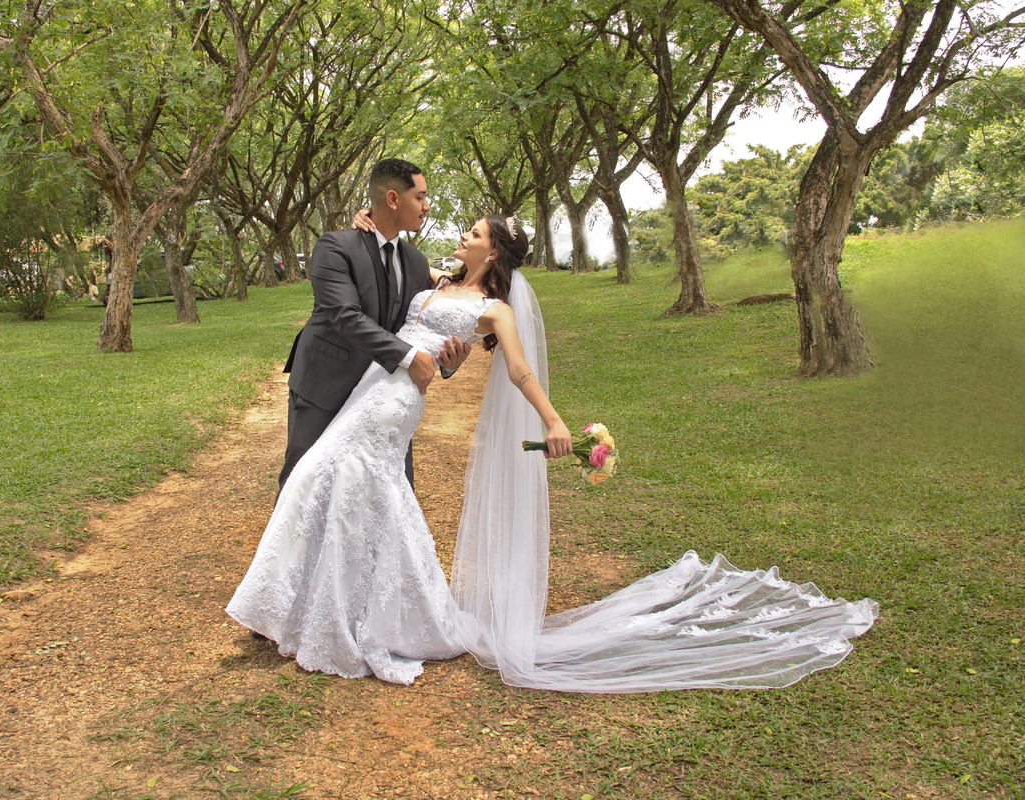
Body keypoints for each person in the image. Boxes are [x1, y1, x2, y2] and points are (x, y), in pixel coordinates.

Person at [230, 214, 878, 690]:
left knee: (339, 478)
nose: (462, 236)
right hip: (372, 388)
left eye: (474, 232)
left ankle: (346, 617)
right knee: (334, 483)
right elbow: (387, 272)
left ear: (495, 250)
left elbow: (519, 373)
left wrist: (555, 419)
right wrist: (365, 230)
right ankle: (318, 608)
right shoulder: (433, 280)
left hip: (396, 404)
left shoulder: (494, 309)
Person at [278, 158, 470, 490]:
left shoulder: (416, 260)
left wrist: (449, 361)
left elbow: (422, 322)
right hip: (325, 383)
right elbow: (345, 316)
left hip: (383, 391)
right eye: (420, 197)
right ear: (393, 199)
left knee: (392, 484)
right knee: (303, 482)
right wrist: (411, 358)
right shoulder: (335, 246)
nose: (427, 206)